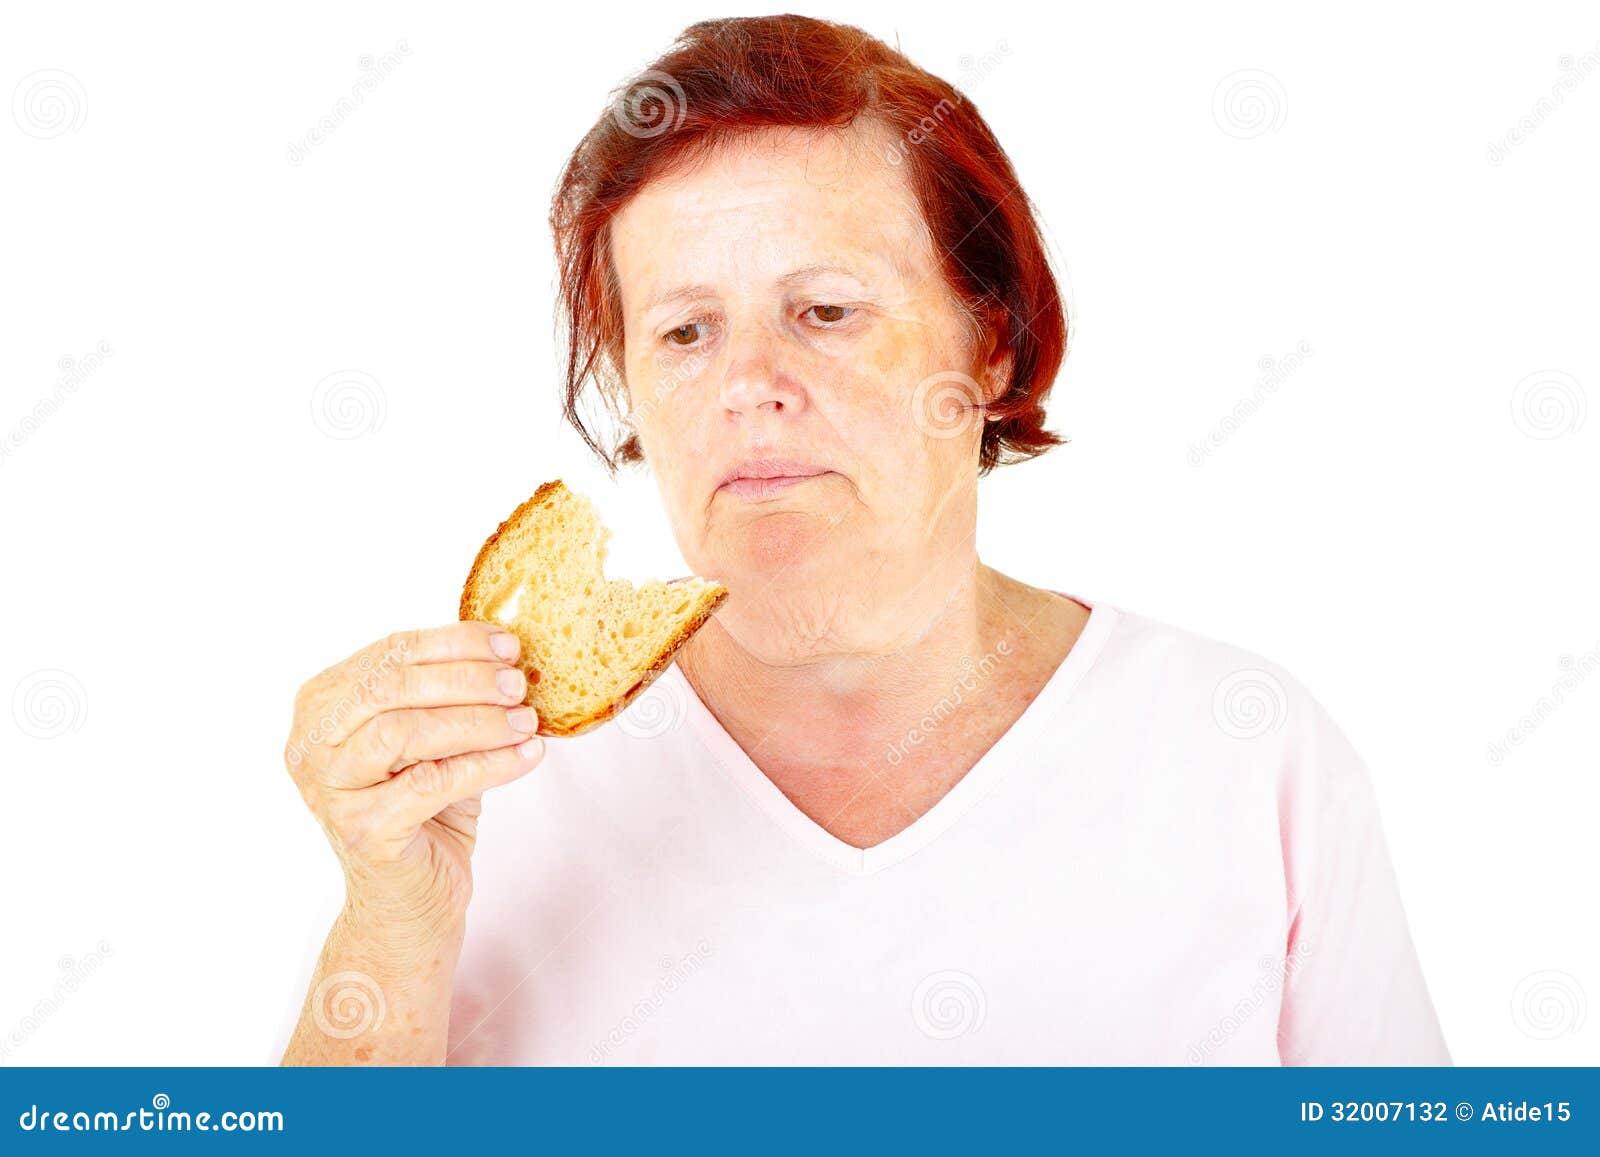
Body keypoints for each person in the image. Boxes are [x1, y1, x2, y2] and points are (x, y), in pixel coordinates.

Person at [279, 14, 1448, 1065]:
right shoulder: (477, 792)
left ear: (988, 344)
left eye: (825, 310)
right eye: (685, 331)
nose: (749, 382)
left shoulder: (1241, 752)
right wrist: (393, 919)